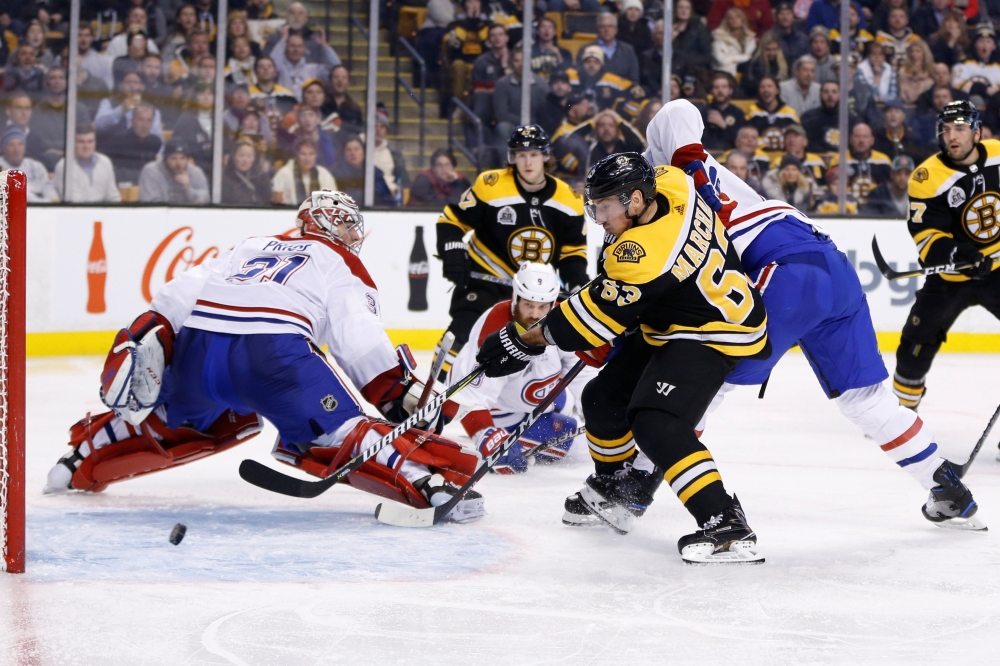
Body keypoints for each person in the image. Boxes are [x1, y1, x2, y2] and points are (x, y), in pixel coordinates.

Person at [643, 98, 985, 532]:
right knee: (868, 402)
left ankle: (635, 486)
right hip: (831, 266)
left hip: (785, 267)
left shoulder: (667, 180)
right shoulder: (672, 184)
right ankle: (949, 491)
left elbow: (676, 112)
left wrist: (687, 162)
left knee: (705, 379)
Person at [43, 189, 486, 523]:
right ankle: (425, 483)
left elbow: (174, 299)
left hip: (202, 348)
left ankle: (81, 459)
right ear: (332, 226)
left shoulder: (251, 245)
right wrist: (395, 394)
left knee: (169, 417)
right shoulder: (341, 262)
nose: (355, 236)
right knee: (339, 429)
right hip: (271, 356)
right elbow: (359, 338)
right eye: (349, 226)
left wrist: (151, 333)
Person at [475, 152, 771, 563]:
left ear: (635, 200)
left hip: (716, 332)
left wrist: (523, 340)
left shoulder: (642, 251)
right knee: (601, 398)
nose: (597, 216)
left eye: (605, 206)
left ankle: (727, 525)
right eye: (594, 205)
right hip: (676, 316)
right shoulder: (670, 183)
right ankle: (617, 489)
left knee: (657, 423)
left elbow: (590, 317)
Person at [434, 125, 588, 381]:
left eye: (534, 154)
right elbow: (451, 222)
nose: (527, 161)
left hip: (533, 293)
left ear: (546, 156)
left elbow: (572, 252)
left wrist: (577, 281)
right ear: (512, 157)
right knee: (462, 332)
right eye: (521, 154)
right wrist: (452, 249)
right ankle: (433, 391)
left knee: (540, 349)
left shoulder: (569, 199)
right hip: (485, 280)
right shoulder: (490, 185)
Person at [893, 100, 1000, 416]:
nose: (952, 136)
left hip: (997, 271)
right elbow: (927, 237)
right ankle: (900, 417)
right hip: (950, 279)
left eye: (961, 128)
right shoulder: (927, 177)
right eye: (947, 129)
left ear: (976, 132)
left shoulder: (998, 154)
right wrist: (962, 253)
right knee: (915, 344)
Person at [444, 262, 594, 473]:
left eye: (543, 307)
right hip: (504, 414)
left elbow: (581, 370)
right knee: (586, 450)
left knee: (602, 427)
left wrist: (595, 407)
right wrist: (487, 436)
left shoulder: (562, 320)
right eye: (528, 305)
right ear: (515, 299)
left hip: (544, 396)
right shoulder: (494, 331)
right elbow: (470, 399)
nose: (535, 315)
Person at [53, 125, 122, 203]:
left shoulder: (105, 162)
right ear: (73, 143)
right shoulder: (64, 166)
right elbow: (74, 203)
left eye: (90, 141)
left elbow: (113, 196)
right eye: (81, 142)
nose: (86, 146)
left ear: (95, 143)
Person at [494, 48, 548, 146]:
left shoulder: (542, 84)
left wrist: (531, 125)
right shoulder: (503, 84)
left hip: (536, 127)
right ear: (511, 63)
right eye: (517, 60)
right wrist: (524, 125)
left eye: (524, 60)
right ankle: (508, 161)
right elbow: (501, 114)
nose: (521, 64)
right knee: (503, 127)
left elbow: (546, 113)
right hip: (513, 127)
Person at [94, 70, 165, 145]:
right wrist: (121, 110)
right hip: (113, 148)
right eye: (128, 82)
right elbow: (99, 124)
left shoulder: (152, 109)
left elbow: (158, 136)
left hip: (140, 150)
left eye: (136, 82)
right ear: (120, 85)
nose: (132, 86)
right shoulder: (108, 102)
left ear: (142, 86)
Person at [829, 122, 892, 204]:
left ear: (872, 140)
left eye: (865, 137)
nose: (861, 141)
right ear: (851, 139)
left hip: (877, 209)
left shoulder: (883, 161)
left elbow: (889, 190)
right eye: (857, 136)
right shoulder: (839, 160)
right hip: (848, 208)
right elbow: (832, 190)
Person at [103, 102, 163, 185]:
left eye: (148, 120)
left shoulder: (155, 142)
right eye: (140, 119)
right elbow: (111, 171)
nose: (144, 125)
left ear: (152, 123)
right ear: (132, 121)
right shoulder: (118, 141)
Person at [138, 138, 209, 204]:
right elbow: (151, 205)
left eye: (182, 158)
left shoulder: (195, 173)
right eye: (173, 158)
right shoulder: (151, 171)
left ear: (187, 159)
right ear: (165, 160)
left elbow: (205, 201)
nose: (178, 163)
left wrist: (188, 188)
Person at [271, 32, 338, 101]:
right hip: (284, 107)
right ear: (285, 48)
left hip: (308, 109)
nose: (296, 50)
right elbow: (271, 65)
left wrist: (324, 45)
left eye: (299, 46)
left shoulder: (313, 69)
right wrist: (282, 41)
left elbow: (336, 68)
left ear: (304, 49)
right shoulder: (280, 68)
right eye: (292, 46)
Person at [272, 137, 338, 206]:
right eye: (303, 154)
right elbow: (278, 203)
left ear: (316, 156)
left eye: (311, 154)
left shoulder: (324, 175)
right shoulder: (284, 174)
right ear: (296, 155)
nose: (307, 158)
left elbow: (333, 202)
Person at [578, 12, 640, 83]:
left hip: (623, 92)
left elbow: (634, 79)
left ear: (616, 30)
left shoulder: (628, 50)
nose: (606, 30)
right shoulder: (586, 50)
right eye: (603, 26)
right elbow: (580, 76)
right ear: (598, 30)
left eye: (610, 26)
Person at [0, 127, 57, 202]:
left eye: (20, 144)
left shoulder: (35, 166)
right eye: (11, 145)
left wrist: (54, 203)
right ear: (3, 148)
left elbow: (48, 188)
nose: (16, 149)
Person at [171, 81, 215, 176]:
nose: (206, 97)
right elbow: (178, 147)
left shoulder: (220, 119)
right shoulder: (185, 120)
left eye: (209, 93)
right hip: (194, 171)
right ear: (195, 97)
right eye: (202, 94)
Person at [747, 77, 801, 152]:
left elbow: (798, 136)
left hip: (784, 155)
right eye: (762, 87)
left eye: (770, 86)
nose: (766, 90)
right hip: (759, 154)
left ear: (777, 90)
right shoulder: (752, 111)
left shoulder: (790, 113)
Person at [407, 149, 472, 207]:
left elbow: (470, 201)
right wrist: (457, 200)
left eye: (447, 164)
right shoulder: (423, 180)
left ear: (453, 168)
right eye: (439, 165)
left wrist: (457, 182)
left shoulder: (458, 179)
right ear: (433, 168)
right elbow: (434, 204)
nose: (444, 168)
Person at [701, 73, 747, 151]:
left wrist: (723, 125)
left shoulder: (738, 113)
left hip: (732, 156)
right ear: (711, 91)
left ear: (730, 91)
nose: (720, 90)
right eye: (716, 87)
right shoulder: (703, 112)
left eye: (724, 87)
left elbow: (741, 141)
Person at [874, 98, 929, 162]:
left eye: (897, 111)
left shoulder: (913, 139)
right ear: (884, 115)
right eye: (889, 111)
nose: (893, 115)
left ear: (903, 116)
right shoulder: (877, 137)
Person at [372, 108, 409, 203]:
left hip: (389, 195)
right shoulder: (360, 149)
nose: (378, 130)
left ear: (386, 131)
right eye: (375, 126)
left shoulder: (393, 153)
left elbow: (402, 177)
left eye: (382, 127)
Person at [952, 26, 1000, 100]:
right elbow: (956, 85)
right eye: (981, 41)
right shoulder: (962, 65)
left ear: (994, 46)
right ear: (975, 44)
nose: (985, 45)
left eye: (988, 42)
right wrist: (982, 89)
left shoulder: (998, 67)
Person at [222, 138, 273, 206]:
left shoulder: (260, 176)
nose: (245, 160)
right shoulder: (226, 179)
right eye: (241, 155)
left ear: (254, 159)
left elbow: (268, 197)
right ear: (233, 156)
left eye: (249, 156)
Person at [801, 80, 846, 153]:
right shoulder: (808, 118)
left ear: (840, 95)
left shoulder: (849, 119)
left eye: (834, 92)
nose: (830, 95)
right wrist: (824, 152)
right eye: (826, 92)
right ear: (820, 95)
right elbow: (804, 142)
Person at [741, 33, 790, 97]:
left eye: (774, 49)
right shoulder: (753, 65)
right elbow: (748, 86)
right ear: (762, 49)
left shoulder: (785, 63)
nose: (772, 53)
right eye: (768, 50)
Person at [712, 8, 757, 77]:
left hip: (745, 72)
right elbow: (722, 60)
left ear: (743, 20)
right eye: (731, 18)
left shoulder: (750, 38)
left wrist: (732, 59)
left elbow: (751, 58)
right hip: (724, 72)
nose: (734, 20)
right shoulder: (718, 37)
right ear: (727, 21)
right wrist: (742, 59)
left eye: (737, 17)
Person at [320, 65, 364, 134]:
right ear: (330, 81)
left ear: (348, 83)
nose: (340, 80)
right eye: (336, 77)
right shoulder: (321, 106)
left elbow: (359, 132)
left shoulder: (355, 109)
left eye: (344, 78)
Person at [75, 22, 113, 89]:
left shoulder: (101, 61)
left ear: (92, 38)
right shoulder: (63, 58)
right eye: (79, 35)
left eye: (87, 36)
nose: (83, 39)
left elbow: (108, 84)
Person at [897, 39, 935, 104]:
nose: (914, 54)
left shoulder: (932, 70)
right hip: (906, 103)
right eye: (912, 51)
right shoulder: (903, 71)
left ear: (924, 54)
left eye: (917, 51)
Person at [707, 0, 774, 36]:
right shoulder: (721, 2)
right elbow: (712, 24)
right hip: (727, 41)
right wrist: (726, 38)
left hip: (755, 41)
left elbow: (768, 26)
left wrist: (759, 39)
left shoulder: (762, 2)